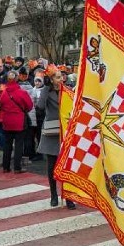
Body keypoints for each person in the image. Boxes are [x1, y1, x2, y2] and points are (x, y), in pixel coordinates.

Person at [36, 68, 76, 208]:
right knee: (51, 166)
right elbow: (40, 107)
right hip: (52, 132)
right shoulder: (47, 91)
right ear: (51, 79)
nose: (61, 79)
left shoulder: (68, 90)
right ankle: (53, 195)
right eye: (58, 77)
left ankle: (69, 197)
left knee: (67, 165)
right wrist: (46, 90)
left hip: (66, 130)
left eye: (61, 77)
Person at [0, 70, 33, 173]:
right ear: (17, 78)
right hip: (19, 120)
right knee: (18, 144)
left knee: (7, 144)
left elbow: (1, 104)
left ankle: (6, 166)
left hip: (7, 121)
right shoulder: (22, 92)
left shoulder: (3, 93)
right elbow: (30, 106)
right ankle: (17, 167)